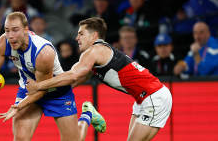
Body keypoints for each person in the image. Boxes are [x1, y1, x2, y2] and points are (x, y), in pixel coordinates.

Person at [11, 17, 172, 141]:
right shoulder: (96, 54)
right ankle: (89, 114)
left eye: (81, 33)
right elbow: (72, 81)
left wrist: (39, 86)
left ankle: (88, 115)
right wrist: (46, 93)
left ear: (94, 35)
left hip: (153, 97)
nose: (76, 38)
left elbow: (72, 75)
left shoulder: (95, 50)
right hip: (143, 99)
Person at [0, 11, 106, 141]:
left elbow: (41, 89)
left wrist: (18, 106)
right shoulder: (4, 41)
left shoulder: (43, 52)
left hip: (56, 91)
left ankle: (87, 115)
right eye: (7, 30)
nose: (10, 36)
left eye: (15, 30)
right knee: (21, 138)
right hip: (29, 89)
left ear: (25, 30)